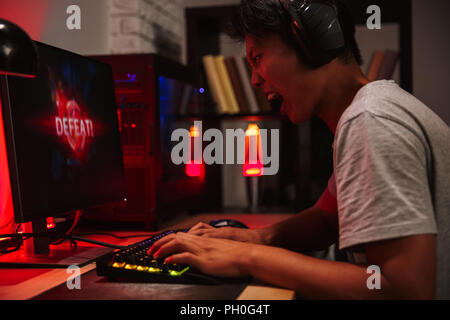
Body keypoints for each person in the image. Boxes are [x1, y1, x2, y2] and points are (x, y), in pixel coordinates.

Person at [148, 0, 450, 299]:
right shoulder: (370, 111)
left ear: (313, 41)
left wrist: (246, 256)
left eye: (257, 57)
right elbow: (326, 219)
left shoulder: (371, 120)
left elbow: (405, 289)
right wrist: (257, 237)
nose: (254, 79)